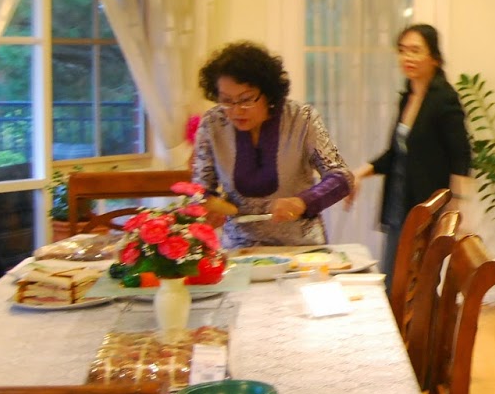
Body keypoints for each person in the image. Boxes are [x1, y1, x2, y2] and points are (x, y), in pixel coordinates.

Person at [191, 41, 353, 249]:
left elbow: (341, 177)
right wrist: (207, 205)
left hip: (301, 248)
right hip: (240, 250)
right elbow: (200, 188)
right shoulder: (213, 124)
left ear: (268, 94)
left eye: (246, 99)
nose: (236, 111)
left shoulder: (302, 119)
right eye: (226, 101)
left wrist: (303, 202)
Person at [352, 24, 473, 276]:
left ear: (434, 58)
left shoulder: (444, 99)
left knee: (418, 283)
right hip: (399, 203)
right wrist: (358, 174)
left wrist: (456, 208)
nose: (407, 57)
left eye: (415, 50)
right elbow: (395, 154)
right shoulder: (407, 97)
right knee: (393, 279)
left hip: (427, 207)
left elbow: (461, 156)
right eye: (402, 50)